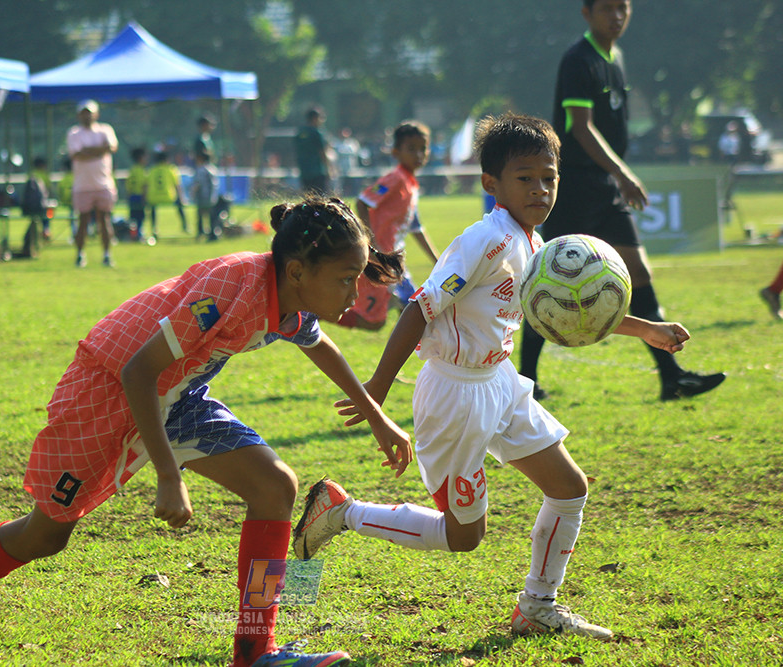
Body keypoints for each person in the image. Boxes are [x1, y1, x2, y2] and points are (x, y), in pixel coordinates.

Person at [0, 195, 412, 667]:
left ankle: (256, 651)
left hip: (176, 395)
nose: (357, 292)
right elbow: (137, 373)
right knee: (48, 533)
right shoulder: (229, 290)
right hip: (107, 391)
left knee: (275, 487)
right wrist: (169, 473)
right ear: (298, 270)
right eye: (348, 278)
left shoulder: (290, 299)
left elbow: (320, 345)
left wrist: (377, 416)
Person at [293, 113, 693, 641]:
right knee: (464, 537)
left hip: (500, 383)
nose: (541, 189)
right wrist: (378, 389)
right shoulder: (486, 238)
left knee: (569, 488)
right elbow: (419, 308)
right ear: (491, 185)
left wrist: (646, 330)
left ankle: (537, 607)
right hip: (455, 394)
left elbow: (569, 306)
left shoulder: (533, 239)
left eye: (549, 177)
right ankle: (343, 512)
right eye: (525, 177)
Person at [518, 0, 724, 402]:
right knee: (547, 278)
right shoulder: (578, 60)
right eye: (607, 8)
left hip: (604, 187)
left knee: (640, 272)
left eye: (623, 8)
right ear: (586, 13)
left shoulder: (615, 58)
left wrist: (615, 177)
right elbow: (581, 129)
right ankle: (525, 382)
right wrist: (623, 173)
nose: (617, 16)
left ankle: (672, 377)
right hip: (576, 186)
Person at [338, 121, 440, 331]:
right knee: (392, 317)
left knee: (394, 316)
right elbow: (363, 201)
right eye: (411, 149)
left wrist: (437, 261)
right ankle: (310, 316)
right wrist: (370, 240)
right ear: (395, 152)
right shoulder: (396, 178)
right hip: (382, 258)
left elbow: (416, 228)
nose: (418, 154)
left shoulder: (411, 184)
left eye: (422, 148)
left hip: (392, 260)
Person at [67, 99, 118, 268]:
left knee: (104, 220)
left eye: (89, 113)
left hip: (103, 184)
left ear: (96, 114)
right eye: (83, 113)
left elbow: (110, 148)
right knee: (82, 221)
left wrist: (89, 151)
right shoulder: (74, 133)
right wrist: (99, 150)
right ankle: (80, 255)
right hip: (82, 186)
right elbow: (77, 154)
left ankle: (107, 255)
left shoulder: (105, 130)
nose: (87, 116)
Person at [145, 150, 188, 241]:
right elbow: (177, 185)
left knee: (153, 209)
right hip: (168, 197)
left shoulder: (152, 170)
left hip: (154, 198)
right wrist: (181, 198)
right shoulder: (171, 169)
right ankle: (185, 226)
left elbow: (147, 185)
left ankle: (154, 229)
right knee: (180, 206)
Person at [294, 106, 333, 196]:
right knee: (320, 197)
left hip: (304, 171)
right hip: (317, 171)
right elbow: (322, 152)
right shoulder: (317, 133)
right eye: (321, 118)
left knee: (308, 196)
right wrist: (329, 169)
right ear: (315, 118)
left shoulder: (300, 132)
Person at [192, 148, 218, 241]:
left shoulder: (201, 170)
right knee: (212, 217)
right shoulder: (213, 168)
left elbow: (198, 183)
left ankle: (200, 233)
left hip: (203, 196)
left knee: (200, 216)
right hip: (212, 196)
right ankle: (213, 234)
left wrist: (193, 192)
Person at [126, 147, 148, 241]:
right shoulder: (142, 171)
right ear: (140, 158)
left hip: (132, 197)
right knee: (140, 217)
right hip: (139, 197)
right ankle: (139, 235)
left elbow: (128, 185)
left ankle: (133, 235)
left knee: (133, 217)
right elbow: (144, 185)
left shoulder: (132, 170)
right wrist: (144, 197)